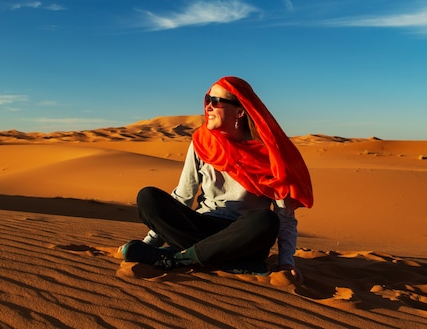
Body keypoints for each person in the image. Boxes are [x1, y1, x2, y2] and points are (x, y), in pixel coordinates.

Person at [119, 76, 313, 281]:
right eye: (207, 99)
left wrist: (286, 262)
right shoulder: (201, 143)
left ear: (240, 111)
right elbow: (183, 197)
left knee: (267, 220)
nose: (209, 106)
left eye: (217, 101)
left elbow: (285, 216)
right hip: (202, 225)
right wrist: (149, 244)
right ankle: (222, 260)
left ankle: (178, 259)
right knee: (148, 197)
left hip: (243, 236)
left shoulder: (269, 154)